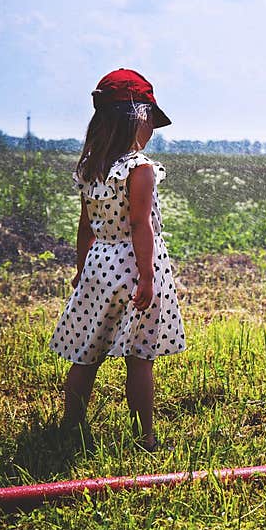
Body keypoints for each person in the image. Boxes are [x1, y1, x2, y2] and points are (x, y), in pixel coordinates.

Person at [49, 68, 186, 452]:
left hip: (99, 265)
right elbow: (141, 227)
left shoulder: (91, 168)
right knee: (140, 358)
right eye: (151, 122)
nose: (152, 131)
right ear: (137, 119)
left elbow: (85, 227)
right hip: (133, 268)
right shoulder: (139, 169)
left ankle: (69, 427)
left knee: (86, 354)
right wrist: (147, 278)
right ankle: (146, 436)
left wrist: (81, 271)